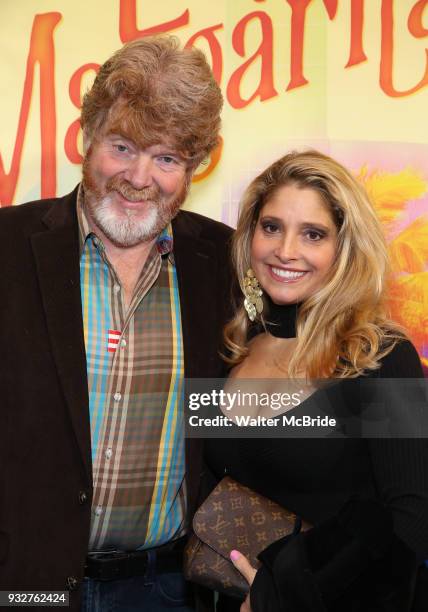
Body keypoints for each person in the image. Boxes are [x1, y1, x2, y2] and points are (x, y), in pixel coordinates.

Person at [0, 36, 233, 611]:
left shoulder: (226, 265)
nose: (139, 177)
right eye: (123, 146)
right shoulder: (6, 249)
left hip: (166, 589)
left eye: (167, 158)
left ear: (195, 166)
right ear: (86, 137)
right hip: (26, 583)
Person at [204, 150, 428, 611]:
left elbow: (413, 520)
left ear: (344, 248)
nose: (286, 250)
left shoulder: (382, 356)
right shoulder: (235, 345)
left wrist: (289, 597)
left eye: (313, 234)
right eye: (271, 227)